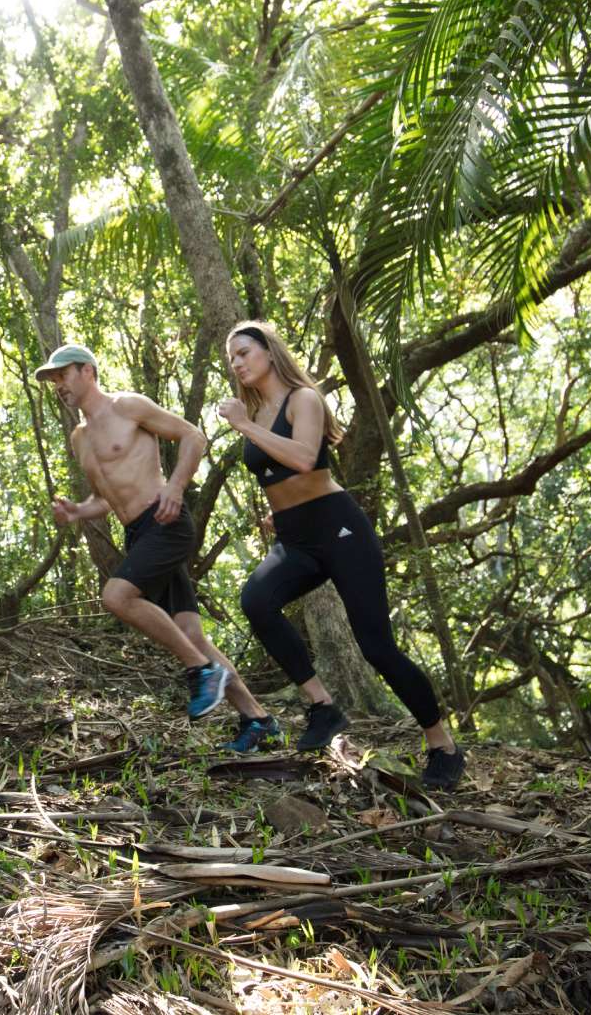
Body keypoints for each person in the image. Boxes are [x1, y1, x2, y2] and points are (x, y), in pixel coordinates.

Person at [217, 320, 465, 787]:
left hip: (339, 528)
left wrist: (245, 425)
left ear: (270, 352)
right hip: (295, 536)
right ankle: (323, 706)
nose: (237, 363)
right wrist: (280, 510)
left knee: (377, 646)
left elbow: (305, 458)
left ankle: (442, 745)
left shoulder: (302, 399)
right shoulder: (258, 409)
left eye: (244, 352)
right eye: (231, 358)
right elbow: (279, 474)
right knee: (257, 600)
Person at [37, 343, 278, 747]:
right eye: (53, 380)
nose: (58, 385)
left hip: (166, 521)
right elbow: (106, 499)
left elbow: (193, 436)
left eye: (63, 375)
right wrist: (77, 511)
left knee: (115, 596)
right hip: (139, 535)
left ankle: (200, 672)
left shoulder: (127, 406)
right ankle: (257, 719)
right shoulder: (80, 439)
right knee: (192, 634)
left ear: (87, 372)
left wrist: (177, 488)